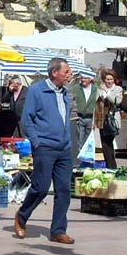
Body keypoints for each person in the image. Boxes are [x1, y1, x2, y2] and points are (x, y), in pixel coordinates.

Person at [14, 57, 74, 244]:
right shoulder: (37, 90)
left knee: (64, 190)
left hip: (64, 148)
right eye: (66, 71)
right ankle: (21, 216)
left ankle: (58, 230)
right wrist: (36, 142)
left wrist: (68, 140)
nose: (69, 74)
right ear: (54, 72)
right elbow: (27, 119)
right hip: (45, 147)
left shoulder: (65, 92)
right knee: (40, 187)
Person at [96, 69, 124, 169]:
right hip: (102, 119)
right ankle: (110, 166)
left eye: (111, 79)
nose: (109, 81)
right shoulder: (100, 88)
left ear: (114, 80)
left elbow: (117, 101)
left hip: (111, 120)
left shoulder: (118, 89)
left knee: (107, 143)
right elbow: (97, 101)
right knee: (104, 144)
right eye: (107, 79)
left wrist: (107, 92)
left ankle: (111, 166)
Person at [69, 68, 97, 164]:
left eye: (85, 78)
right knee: (79, 140)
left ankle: (87, 161)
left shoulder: (95, 89)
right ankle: (79, 162)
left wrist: (95, 120)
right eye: (82, 78)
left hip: (90, 118)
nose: (83, 80)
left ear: (90, 79)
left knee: (89, 141)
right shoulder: (76, 88)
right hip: (79, 117)